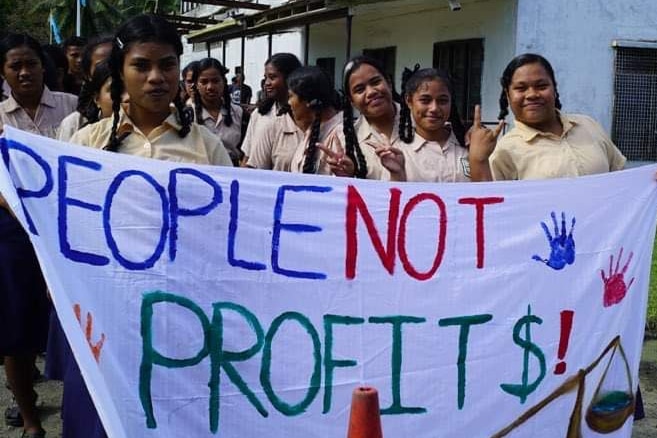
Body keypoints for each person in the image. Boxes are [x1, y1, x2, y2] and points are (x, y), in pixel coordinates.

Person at [0, 32, 77, 438]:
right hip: (14, 231)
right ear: (4, 71)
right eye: (16, 65)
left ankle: (81, 402)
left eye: (31, 63)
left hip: (67, 228)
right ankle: (30, 417)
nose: (25, 72)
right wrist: (27, 216)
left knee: (72, 316)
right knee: (17, 326)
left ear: (43, 65)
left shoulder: (70, 108)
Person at [489, 53, 626, 180]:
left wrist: (646, 180)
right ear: (508, 95)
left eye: (541, 86)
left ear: (554, 89)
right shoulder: (504, 151)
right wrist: (478, 161)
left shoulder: (588, 125)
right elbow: (493, 202)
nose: (532, 95)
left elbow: (622, 177)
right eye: (521, 88)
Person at [395, 66, 502, 182]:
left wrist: (478, 159)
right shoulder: (399, 152)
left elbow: (487, 194)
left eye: (442, 101)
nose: (434, 108)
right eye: (425, 100)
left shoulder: (469, 143)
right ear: (409, 101)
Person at [242, 52, 302, 169]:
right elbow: (248, 158)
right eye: (266, 78)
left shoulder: (303, 117)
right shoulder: (259, 115)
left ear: (290, 78)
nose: (267, 83)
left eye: (273, 77)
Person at [286, 66, 343, 175]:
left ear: (307, 99)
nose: (289, 103)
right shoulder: (311, 131)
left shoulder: (340, 136)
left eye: (291, 96)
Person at [191, 57, 242, 163]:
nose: (210, 87)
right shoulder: (188, 115)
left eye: (215, 81)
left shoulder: (238, 112)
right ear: (196, 85)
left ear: (224, 82)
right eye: (204, 82)